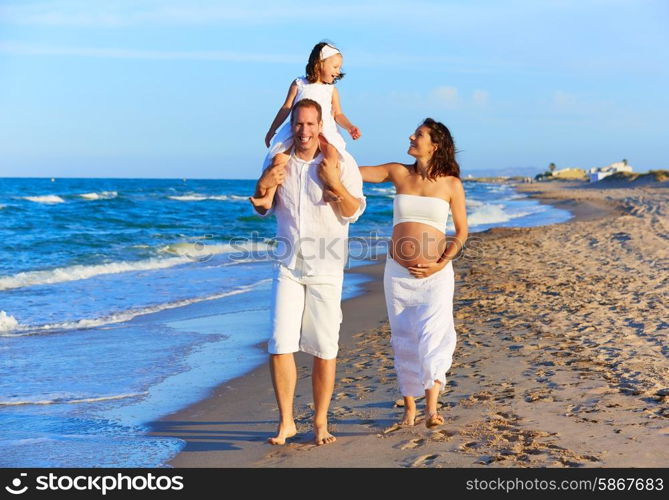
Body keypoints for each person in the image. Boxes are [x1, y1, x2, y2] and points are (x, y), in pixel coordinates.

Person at [251, 98, 366, 445]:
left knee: (324, 346)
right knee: (279, 342)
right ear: (292, 126)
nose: (304, 131)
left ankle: (319, 423)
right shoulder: (278, 161)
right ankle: (286, 422)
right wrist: (262, 183)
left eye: (311, 124)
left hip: (327, 268)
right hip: (288, 264)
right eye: (298, 124)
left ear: (321, 126)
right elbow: (261, 208)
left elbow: (354, 210)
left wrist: (335, 184)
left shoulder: (340, 162)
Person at [360, 118, 468, 428]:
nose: (411, 136)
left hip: (435, 275)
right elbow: (354, 173)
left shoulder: (451, 184)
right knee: (404, 337)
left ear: (434, 145)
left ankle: (432, 409)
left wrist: (440, 262)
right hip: (397, 274)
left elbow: (461, 232)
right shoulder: (399, 173)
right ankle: (410, 408)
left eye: (418, 134)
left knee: (433, 336)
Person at [249, 41, 361, 209]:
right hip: (297, 128)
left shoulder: (331, 90)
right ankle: (268, 196)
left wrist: (350, 127)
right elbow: (286, 107)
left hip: (324, 129)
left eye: (339, 69)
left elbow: (338, 114)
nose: (338, 72)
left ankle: (328, 189)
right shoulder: (299, 84)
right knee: (279, 158)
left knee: (331, 156)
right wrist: (272, 129)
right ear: (320, 63)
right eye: (335, 67)